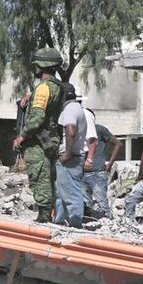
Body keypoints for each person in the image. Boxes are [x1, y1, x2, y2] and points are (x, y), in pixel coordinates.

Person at [13, 48, 64, 223]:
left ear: (42, 65)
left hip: (39, 143)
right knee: (46, 177)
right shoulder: (56, 86)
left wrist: (22, 136)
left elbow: (37, 117)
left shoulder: (43, 88)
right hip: (50, 139)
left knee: (40, 177)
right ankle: (46, 214)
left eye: (36, 65)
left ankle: (43, 217)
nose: (34, 68)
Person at [54, 83, 88, 228]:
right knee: (61, 192)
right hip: (72, 157)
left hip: (71, 158)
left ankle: (75, 224)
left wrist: (67, 153)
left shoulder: (70, 109)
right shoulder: (76, 108)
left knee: (72, 193)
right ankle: (59, 222)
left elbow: (71, 130)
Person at [83, 107, 121, 219]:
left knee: (102, 203)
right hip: (83, 172)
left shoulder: (99, 130)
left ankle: (108, 222)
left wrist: (110, 164)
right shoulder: (80, 131)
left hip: (97, 173)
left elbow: (118, 144)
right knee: (86, 203)